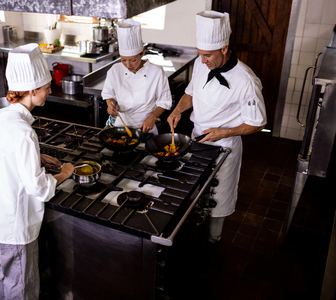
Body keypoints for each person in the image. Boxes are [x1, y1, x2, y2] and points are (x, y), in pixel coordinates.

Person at [0, 43, 75, 299]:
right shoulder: (24, 132)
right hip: (15, 225)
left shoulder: (0, 117)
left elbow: (4, 153)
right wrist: (65, 173)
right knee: (21, 290)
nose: (49, 91)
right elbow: (38, 188)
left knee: (6, 279)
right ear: (32, 91)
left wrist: (36, 156)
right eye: (46, 88)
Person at [167, 11, 267, 244]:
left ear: (224, 49)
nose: (203, 60)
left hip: (224, 146)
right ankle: (190, 231)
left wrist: (225, 132)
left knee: (218, 195)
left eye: (207, 55)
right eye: (200, 54)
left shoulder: (246, 80)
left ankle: (214, 239)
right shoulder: (203, 64)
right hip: (196, 138)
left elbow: (258, 123)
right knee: (193, 188)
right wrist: (177, 110)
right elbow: (190, 93)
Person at [102, 19, 172, 134]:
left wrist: (153, 117)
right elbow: (109, 94)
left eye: (133, 60)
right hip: (121, 125)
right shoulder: (115, 70)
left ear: (142, 53)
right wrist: (110, 104)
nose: (128, 65)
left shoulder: (156, 72)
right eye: (123, 60)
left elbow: (164, 101)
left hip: (146, 125)